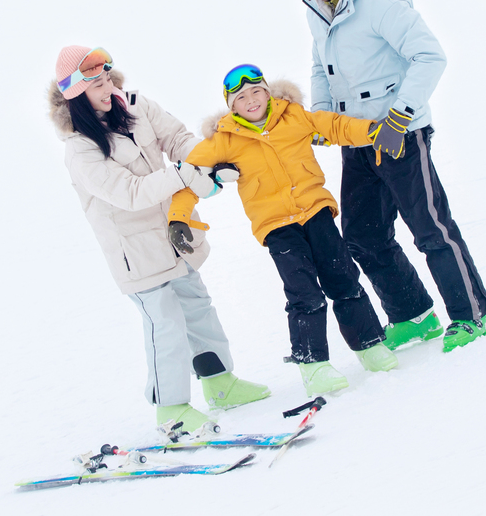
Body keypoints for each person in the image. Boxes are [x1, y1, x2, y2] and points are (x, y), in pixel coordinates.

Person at [285, 0, 486, 353]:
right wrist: (324, 119)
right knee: (363, 235)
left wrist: (400, 116)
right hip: (357, 137)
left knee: (430, 227)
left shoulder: (382, 0)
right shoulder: (318, 7)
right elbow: (319, 66)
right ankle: (413, 315)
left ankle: (472, 316)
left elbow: (430, 56)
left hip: (399, 133)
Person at [47, 45, 270, 433]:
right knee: (164, 324)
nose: (108, 87)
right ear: (75, 94)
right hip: (136, 252)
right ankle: (171, 411)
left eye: (107, 78)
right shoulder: (79, 148)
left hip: (173, 233)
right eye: (96, 84)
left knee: (198, 306)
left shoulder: (136, 106)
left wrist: (211, 161)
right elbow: (130, 193)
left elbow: (179, 139)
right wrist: (185, 175)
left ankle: (220, 384)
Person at [166, 64, 398, 397]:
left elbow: (336, 126)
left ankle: (370, 346)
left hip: (316, 212)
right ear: (231, 106)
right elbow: (190, 177)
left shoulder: (294, 117)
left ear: (268, 92)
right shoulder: (223, 141)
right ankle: (313, 365)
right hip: (277, 226)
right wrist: (178, 217)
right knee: (304, 293)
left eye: (256, 91)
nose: (250, 100)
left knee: (344, 278)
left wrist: (374, 131)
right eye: (241, 96)